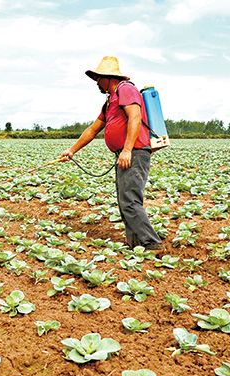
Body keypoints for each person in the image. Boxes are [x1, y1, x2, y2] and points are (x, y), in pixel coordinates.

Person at [60, 56, 163, 251]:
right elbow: (93, 129)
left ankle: (152, 244)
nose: (97, 83)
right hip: (124, 154)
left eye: (99, 78)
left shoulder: (126, 89)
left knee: (130, 201)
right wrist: (71, 151)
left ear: (109, 78)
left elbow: (135, 117)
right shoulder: (110, 101)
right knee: (125, 201)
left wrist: (127, 149)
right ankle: (134, 244)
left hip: (134, 152)